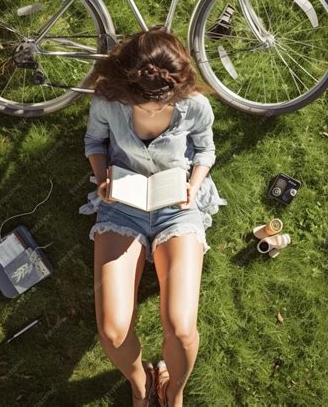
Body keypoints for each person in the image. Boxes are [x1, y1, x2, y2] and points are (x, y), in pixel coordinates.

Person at [78, 28, 227, 406]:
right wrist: (102, 179)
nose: (152, 110)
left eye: (161, 103)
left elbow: (205, 150)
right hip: (122, 204)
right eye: (142, 103)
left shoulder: (194, 105)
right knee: (112, 330)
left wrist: (194, 184)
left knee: (181, 327)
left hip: (176, 205)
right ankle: (141, 383)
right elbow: (95, 142)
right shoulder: (107, 100)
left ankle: (173, 392)